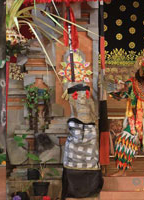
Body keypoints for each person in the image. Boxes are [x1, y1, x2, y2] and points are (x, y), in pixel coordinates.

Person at [57, 50, 102, 198]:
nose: (82, 99)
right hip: (76, 142)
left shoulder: (89, 104)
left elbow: (94, 116)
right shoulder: (73, 104)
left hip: (89, 136)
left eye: (84, 96)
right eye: (79, 96)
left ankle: (91, 189)